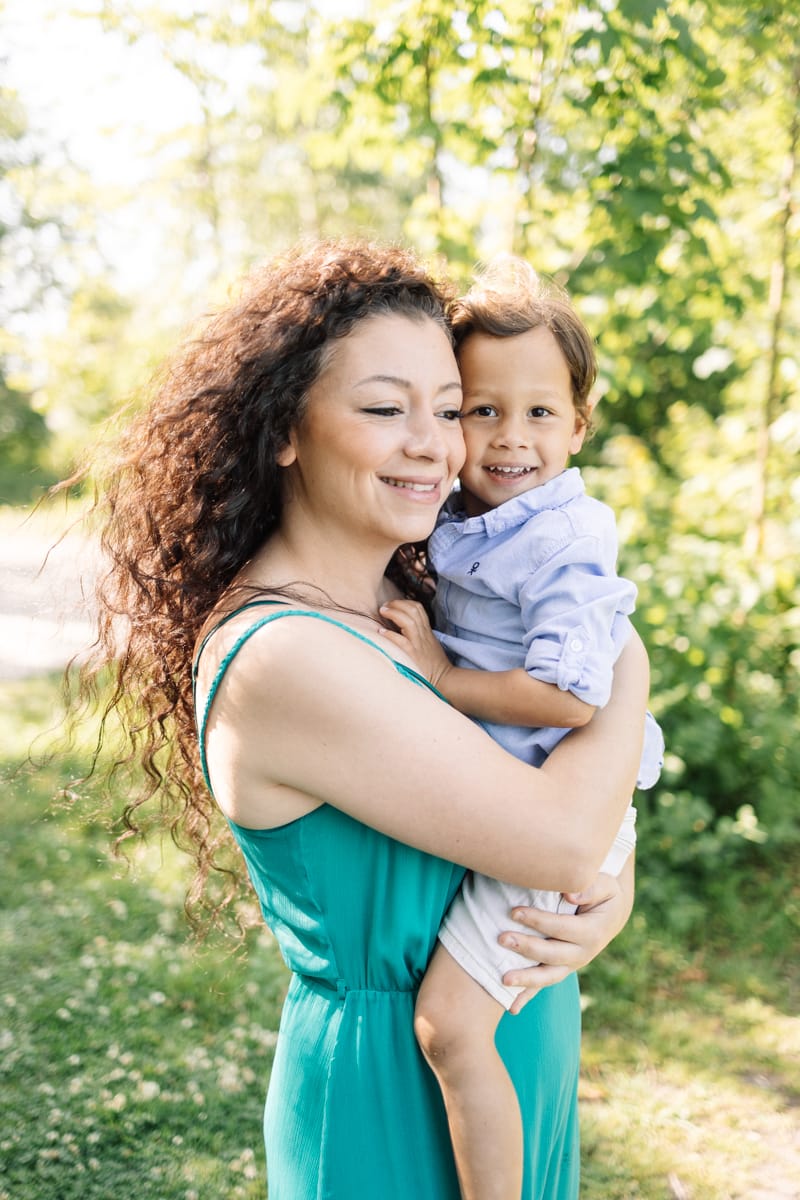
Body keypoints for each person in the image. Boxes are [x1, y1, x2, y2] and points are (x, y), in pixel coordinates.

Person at [83, 239, 651, 1200]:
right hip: (389, 1099)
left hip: (519, 1033)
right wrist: (626, 658)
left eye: (446, 407)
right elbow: (557, 834)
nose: (436, 443)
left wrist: (609, 896)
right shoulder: (285, 656)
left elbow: (561, 808)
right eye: (386, 409)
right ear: (286, 430)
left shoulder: (416, 603)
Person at [380, 257, 664, 1200]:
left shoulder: (565, 540)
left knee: (451, 1029)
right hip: (521, 804)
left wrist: (446, 678)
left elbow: (574, 698)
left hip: (554, 810)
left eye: (540, 413)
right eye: (482, 410)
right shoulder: (466, 517)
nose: (509, 438)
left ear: (579, 426)